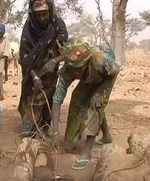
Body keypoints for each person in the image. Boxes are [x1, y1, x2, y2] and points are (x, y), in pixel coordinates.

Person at [51, 37, 119, 170]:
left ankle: (87, 153)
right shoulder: (68, 70)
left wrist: (99, 92)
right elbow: (57, 100)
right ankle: (107, 137)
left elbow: (114, 72)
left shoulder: (100, 59)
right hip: (89, 79)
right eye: (73, 69)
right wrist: (54, 133)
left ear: (86, 62)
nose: (75, 72)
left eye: (79, 68)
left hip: (105, 78)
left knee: (95, 105)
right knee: (77, 99)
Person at [18, 0, 68, 136]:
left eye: (45, 14)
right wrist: (34, 77)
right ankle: (31, 128)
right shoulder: (29, 28)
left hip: (50, 73)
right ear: (33, 15)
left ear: (50, 12)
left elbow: (67, 51)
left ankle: (45, 126)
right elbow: (24, 57)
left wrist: (54, 61)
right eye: (38, 15)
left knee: (48, 98)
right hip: (32, 73)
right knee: (31, 99)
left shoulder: (57, 25)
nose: (42, 18)